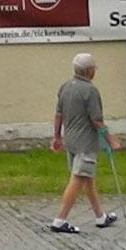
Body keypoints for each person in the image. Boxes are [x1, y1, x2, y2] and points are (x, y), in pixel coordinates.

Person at [50, 51, 119, 234]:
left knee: (88, 178)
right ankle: (59, 220)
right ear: (89, 71)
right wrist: (110, 140)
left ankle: (100, 216)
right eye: (94, 69)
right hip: (85, 143)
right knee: (79, 178)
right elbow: (97, 120)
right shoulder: (90, 90)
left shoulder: (65, 87)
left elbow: (58, 114)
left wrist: (57, 137)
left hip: (71, 141)